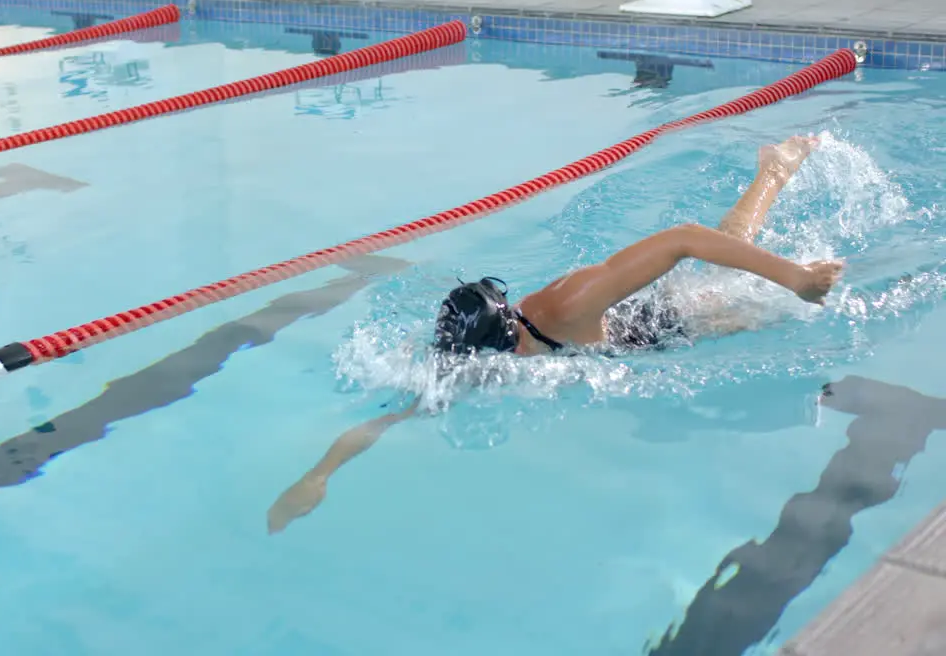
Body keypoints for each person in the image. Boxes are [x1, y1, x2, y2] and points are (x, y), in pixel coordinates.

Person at [267, 135, 845, 534]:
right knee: (726, 262)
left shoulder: (568, 305)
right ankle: (774, 170)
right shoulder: (464, 355)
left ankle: (778, 175)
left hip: (657, 327)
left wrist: (796, 280)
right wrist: (316, 476)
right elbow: (385, 418)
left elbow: (682, 237)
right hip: (617, 341)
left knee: (753, 299)